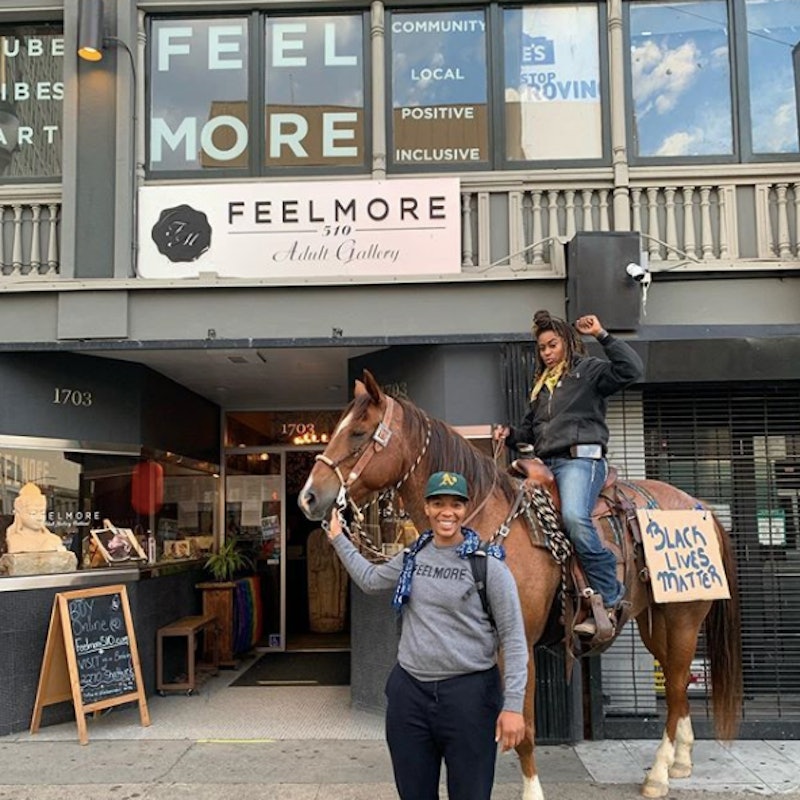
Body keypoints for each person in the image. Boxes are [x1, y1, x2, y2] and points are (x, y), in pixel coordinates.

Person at [325, 470, 528, 800]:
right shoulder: (412, 557)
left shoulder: (488, 567)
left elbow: (514, 639)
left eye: (455, 504)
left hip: (470, 696)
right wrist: (338, 538)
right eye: (438, 503)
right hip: (410, 697)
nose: (447, 512)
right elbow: (371, 580)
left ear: (466, 510)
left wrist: (514, 706)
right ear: (427, 508)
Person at [495, 310, 643, 638]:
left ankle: (611, 591)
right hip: (547, 465)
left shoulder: (588, 371)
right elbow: (529, 433)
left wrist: (602, 334)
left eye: (552, 345)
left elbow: (631, 370)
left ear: (568, 342)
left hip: (582, 462)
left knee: (576, 518)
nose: (547, 352)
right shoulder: (542, 388)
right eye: (542, 348)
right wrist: (509, 434)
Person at [5, 483, 65, 554]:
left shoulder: (54, 540)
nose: (39, 518)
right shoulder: (14, 541)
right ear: (19, 514)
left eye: (42, 513)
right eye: (33, 513)